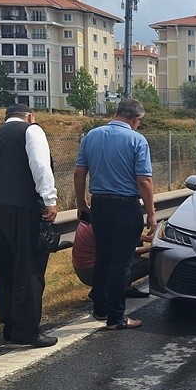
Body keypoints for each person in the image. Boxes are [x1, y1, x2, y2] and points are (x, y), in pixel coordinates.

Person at [0, 103, 59, 347]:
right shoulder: (31, 131)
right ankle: (28, 331)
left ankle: (10, 327)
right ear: (29, 116)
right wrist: (49, 200)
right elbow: (40, 166)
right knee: (29, 266)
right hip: (24, 207)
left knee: (4, 269)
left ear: (6, 118)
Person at [73, 98, 154, 330]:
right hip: (126, 206)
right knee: (121, 263)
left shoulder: (92, 135)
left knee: (104, 259)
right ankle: (117, 318)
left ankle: (100, 309)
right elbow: (144, 180)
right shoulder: (137, 140)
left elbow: (79, 173)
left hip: (99, 206)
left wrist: (81, 204)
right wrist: (151, 214)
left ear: (117, 113)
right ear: (136, 119)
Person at [71, 216, 151, 299]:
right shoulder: (105, 227)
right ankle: (104, 289)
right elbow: (126, 251)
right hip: (91, 272)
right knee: (150, 264)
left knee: (134, 239)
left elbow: (129, 235)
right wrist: (152, 248)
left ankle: (122, 287)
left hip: (85, 267)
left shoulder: (93, 216)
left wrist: (153, 238)